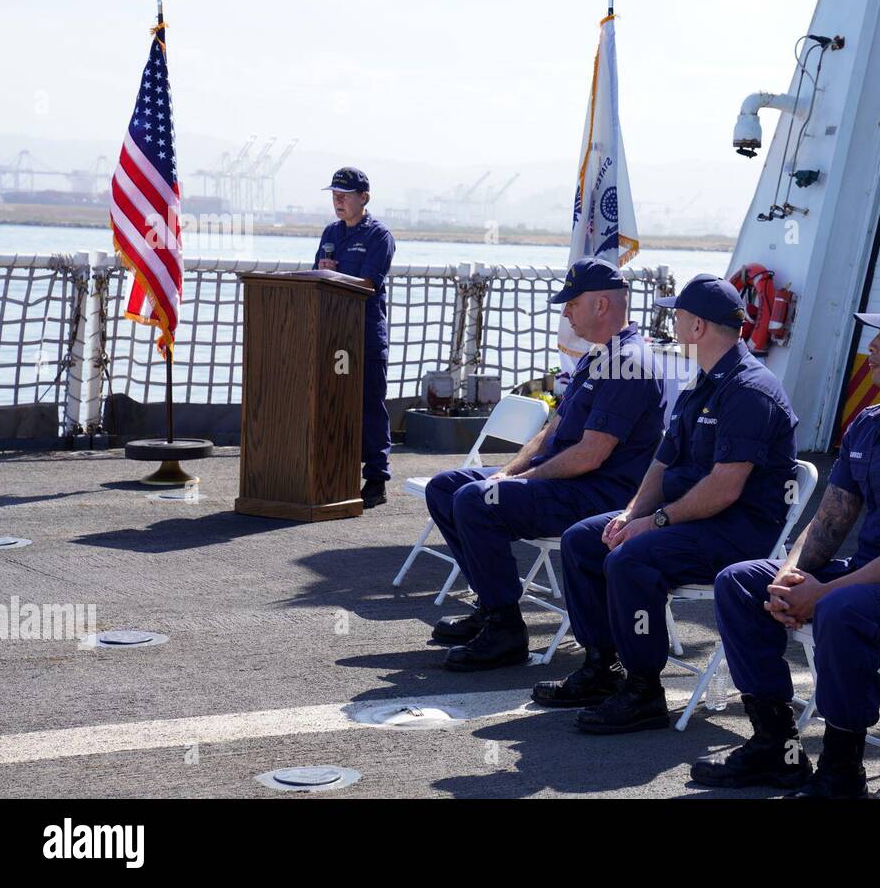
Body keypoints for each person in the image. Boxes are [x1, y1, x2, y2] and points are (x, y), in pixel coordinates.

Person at [691, 292, 880, 798]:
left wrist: (824, 594)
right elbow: (829, 520)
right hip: (875, 581)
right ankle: (775, 745)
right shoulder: (869, 423)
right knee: (742, 582)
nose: (871, 347)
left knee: (842, 609)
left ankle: (840, 772)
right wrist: (789, 575)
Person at [532, 273, 799, 734]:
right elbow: (662, 462)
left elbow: (725, 489)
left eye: (676, 317)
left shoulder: (749, 391)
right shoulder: (705, 383)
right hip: (691, 519)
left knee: (631, 559)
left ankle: (643, 690)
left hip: (737, 530)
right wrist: (631, 513)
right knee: (584, 540)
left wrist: (654, 522)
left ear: (697, 327)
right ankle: (602, 667)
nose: (671, 326)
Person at [424, 257, 665, 671]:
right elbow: (550, 431)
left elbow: (591, 454)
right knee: (445, 487)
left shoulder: (628, 364)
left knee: (476, 501)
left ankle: (505, 630)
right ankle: (491, 602)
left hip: (596, 494)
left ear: (601, 305)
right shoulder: (597, 357)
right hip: (560, 480)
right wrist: (508, 474)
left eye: (572, 302)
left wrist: (520, 482)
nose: (565, 311)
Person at [313, 167, 397, 508]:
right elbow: (316, 275)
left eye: (345, 195)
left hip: (365, 336)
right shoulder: (331, 231)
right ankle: (333, 469)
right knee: (331, 402)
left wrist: (334, 274)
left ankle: (377, 478)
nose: (338, 201)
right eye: (334, 195)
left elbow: (369, 284)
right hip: (332, 335)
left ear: (364, 198)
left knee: (370, 407)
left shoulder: (380, 236)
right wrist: (321, 271)